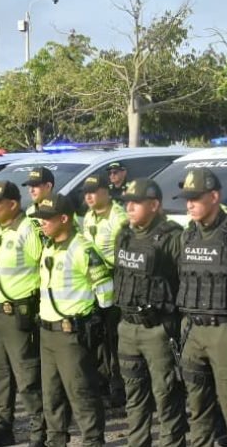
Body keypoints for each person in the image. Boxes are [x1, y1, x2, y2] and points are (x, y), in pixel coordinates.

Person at [174, 168, 227, 447]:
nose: (189, 204)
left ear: (214, 196)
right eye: (187, 198)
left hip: (226, 332)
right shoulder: (187, 236)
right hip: (193, 332)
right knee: (198, 410)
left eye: (195, 198)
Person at [112, 177, 187, 447]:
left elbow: (185, 282)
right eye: (126, 203)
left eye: (136, 203)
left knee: (166, 394)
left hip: (158, 329)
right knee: (134, 395)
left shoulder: (172, 237)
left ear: (154, 205)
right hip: (127, 326)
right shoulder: (124, 234)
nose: (129, 207)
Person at [35, 193, 113, 447]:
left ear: (64, 219)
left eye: (47, 218)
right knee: (52, 392)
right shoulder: (49, 245)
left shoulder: (83, 248)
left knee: (81, 392)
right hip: (48, 331)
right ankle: (56, 439)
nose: (42, 223)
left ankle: (92, 441)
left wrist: (94, 320)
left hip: (72, 333)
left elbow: (105, 290)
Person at [0, 180, 46, 447]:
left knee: (27, 378)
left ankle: (40, 431)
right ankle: (2, 426)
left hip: (19, 314)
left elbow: (44, 267)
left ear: (13, 204)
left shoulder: (28, 229)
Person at [81, 172, 129, 407]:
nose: (89, 196)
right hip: (96, 285)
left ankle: (119, 389)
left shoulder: (118, 216)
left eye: (94, 191)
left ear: (106, 192)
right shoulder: (89, 216)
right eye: (86, 192)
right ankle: (103, 382)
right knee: (99, 338)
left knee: (114, 339)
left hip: (116, 283)